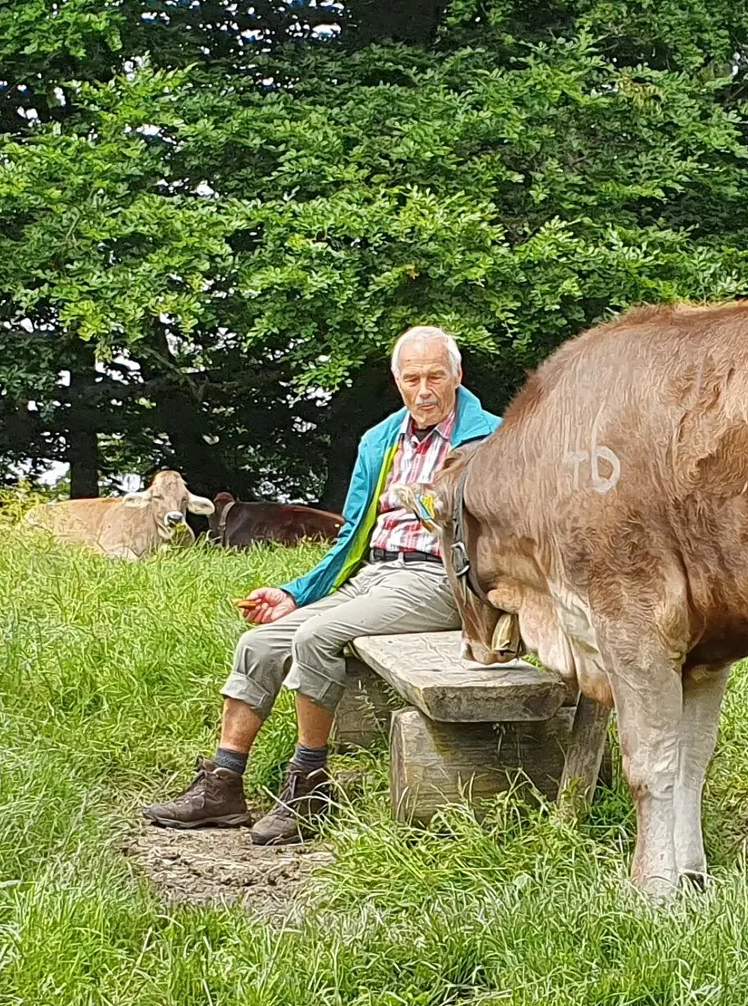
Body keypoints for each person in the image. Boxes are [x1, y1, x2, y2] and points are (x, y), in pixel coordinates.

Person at [142, 325, 499, 844]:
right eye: (412, 378)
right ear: (397, 381)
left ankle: (308, 787)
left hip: (441, 581)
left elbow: (511, 530)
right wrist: (295, 593)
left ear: (458, 375)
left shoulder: (491, 439)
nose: (424, 390)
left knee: (316, 637)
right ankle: (223, 786)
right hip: (374, 574)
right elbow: (351, 536)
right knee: (259, 643)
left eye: (435, 377)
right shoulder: (380, 440)